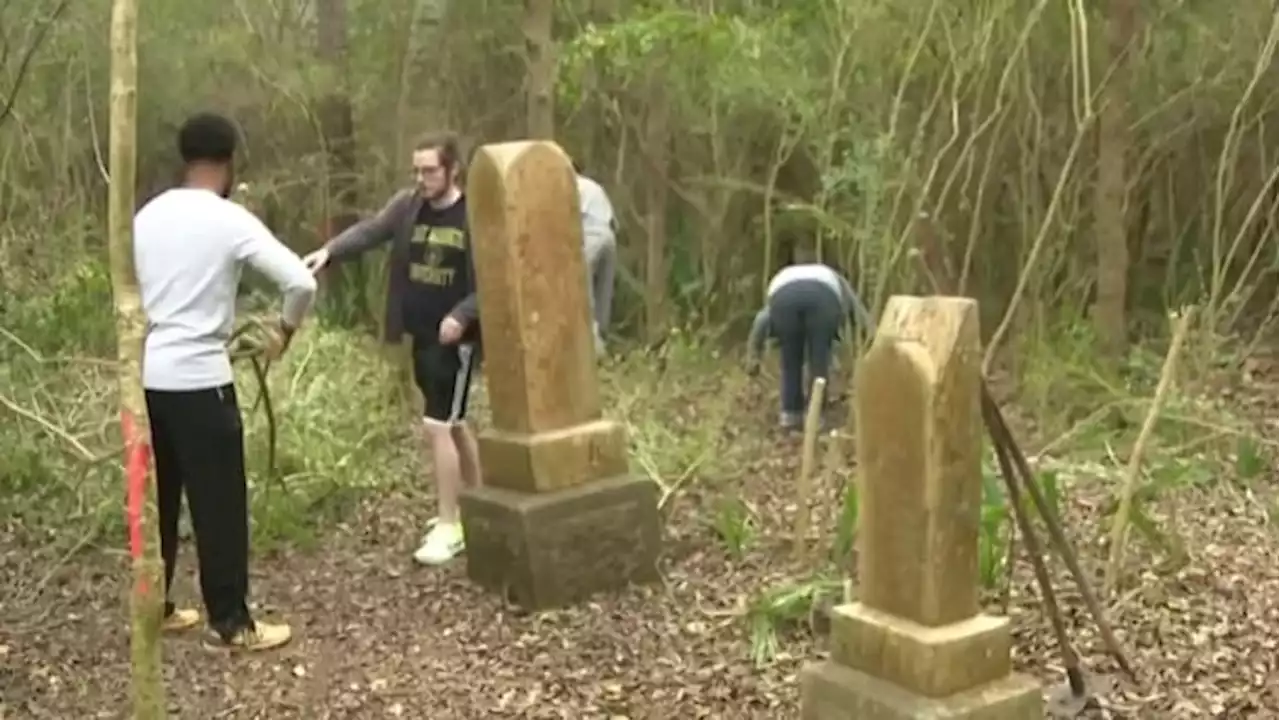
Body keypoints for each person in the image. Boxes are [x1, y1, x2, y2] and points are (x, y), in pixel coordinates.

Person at [135, 111, 317, 651]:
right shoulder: (226, 218)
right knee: (218, 503)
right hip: (201, 379)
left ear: (185, 158)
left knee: (157, 498)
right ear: (228, 162)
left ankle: (157, 606)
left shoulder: (147, 216)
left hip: (150, 375)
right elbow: (300, 281)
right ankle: (232, 623)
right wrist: (283, 330)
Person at [302, 131, 481, 566]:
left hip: (458, 341)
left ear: (452, 169)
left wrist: (462, 314)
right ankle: (481, 502)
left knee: (438, 425)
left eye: (430, 170)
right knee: (455, 423)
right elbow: (372, 231)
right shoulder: (409, 206)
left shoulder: (472, 215)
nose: (422, 178)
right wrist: (330, 252)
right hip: (421, 333)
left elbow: (492, 279)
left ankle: (449, 524)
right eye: (417, 170)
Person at [745, 262, 874, 430]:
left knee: (790, 359)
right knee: (819, 360)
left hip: (784, 301)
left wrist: (753, 355)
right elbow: (857, 309)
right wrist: (872, 336)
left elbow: (761, 320)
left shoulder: (782, 279)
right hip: (823, 299)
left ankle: (790, 415)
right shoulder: (833, 277)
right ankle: (816, 416)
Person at [572, 159, 617, 355]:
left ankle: (592, 344)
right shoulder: (594, 186)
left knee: (581, 285)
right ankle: (602, 334)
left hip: (590, 233)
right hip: (608, 235)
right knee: (603, 290)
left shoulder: (571, 185)